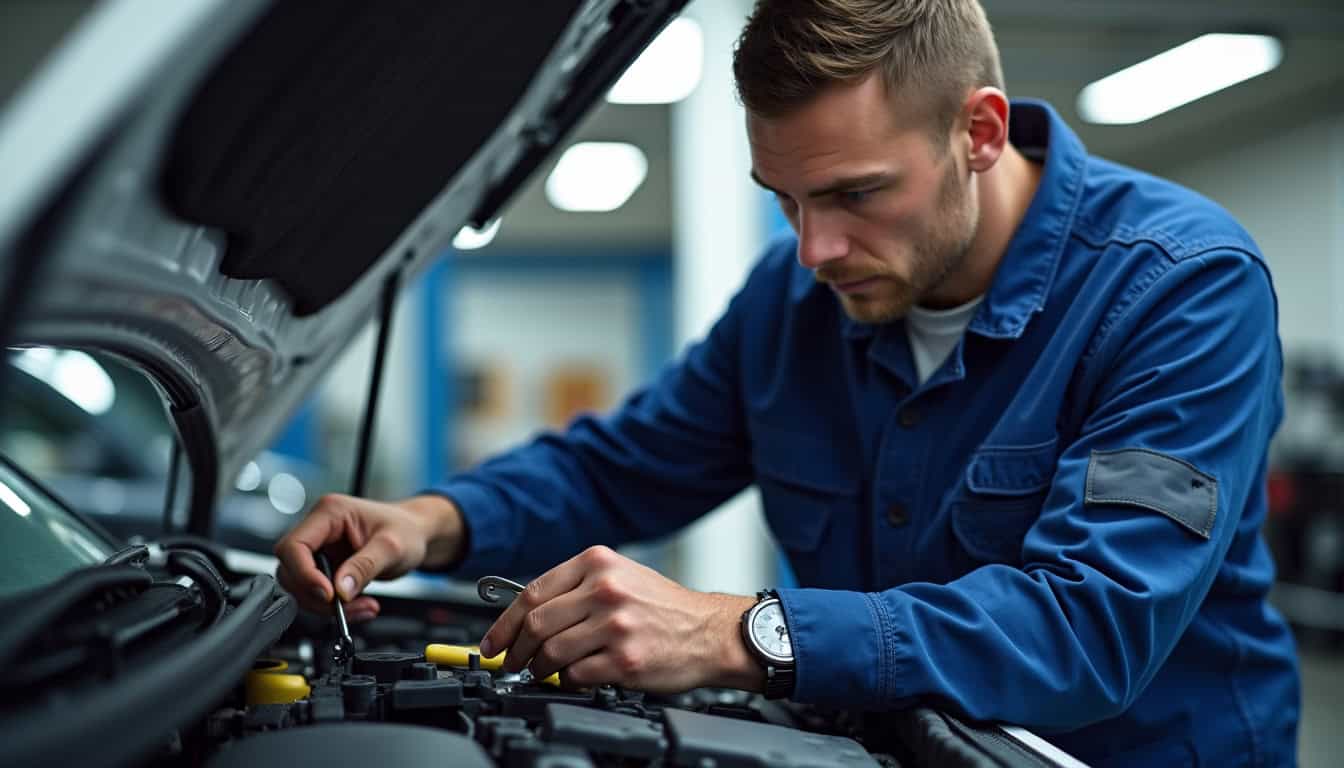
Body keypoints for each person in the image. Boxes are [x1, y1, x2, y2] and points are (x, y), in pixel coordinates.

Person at [275, 1, 1300, 763]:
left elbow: (1088, 625)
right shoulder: (795, 297)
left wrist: (740, 632)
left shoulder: (1181, 290)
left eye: (856, 195)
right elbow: (625, 464)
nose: (814, 249)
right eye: (786, 199)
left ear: (979, 133)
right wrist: (427, 521)